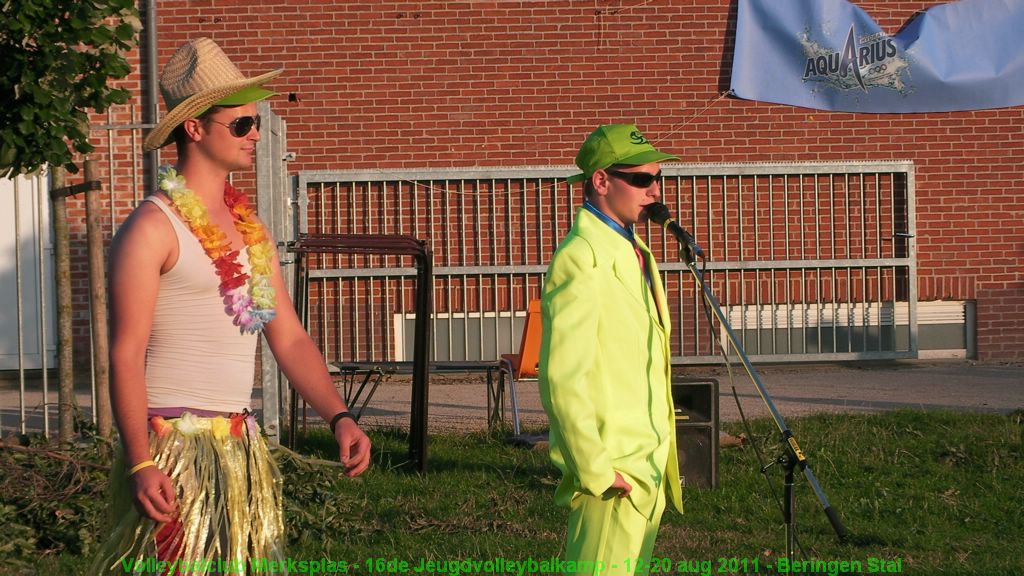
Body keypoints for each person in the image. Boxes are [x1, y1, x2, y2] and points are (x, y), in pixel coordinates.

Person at [90, 37, 371, 573]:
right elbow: (125, 354)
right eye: (240, 125)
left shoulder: (250, 227)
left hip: (238, 447)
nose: (256, 134)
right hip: (174, 449)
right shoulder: (153, 227)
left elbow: (286, 335)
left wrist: (339, 415)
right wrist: (140, 461)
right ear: (193, 129)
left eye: (256, 121)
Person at [538, 124, 684, 575]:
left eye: (657, 178)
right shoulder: (580, 256)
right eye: (641, 179)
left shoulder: (634, 247)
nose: (653, 190)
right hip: (613, 471)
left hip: (647, 464)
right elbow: (562, 378)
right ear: (601, 181)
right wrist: (596, 469)